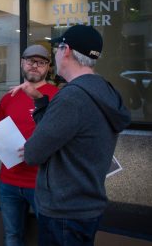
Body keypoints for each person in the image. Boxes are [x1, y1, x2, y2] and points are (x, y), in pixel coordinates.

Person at [10, 25, 131, 246]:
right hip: (86, 207)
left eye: (57, 48)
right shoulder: (104, 90)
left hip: (63, 212)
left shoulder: (72, 97)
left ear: (66, 50)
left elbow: (33, 153)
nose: (55, 54)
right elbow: (66, 133)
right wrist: (40, 100)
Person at [0, 45, 59, 246]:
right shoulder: (9, 97)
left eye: (41, 62)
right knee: (12, 237)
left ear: (48, 68)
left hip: (41, 183)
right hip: (8, 181)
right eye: (30, 61)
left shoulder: (57, 97)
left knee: (49, 238)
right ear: (22, 63)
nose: (34, 66)